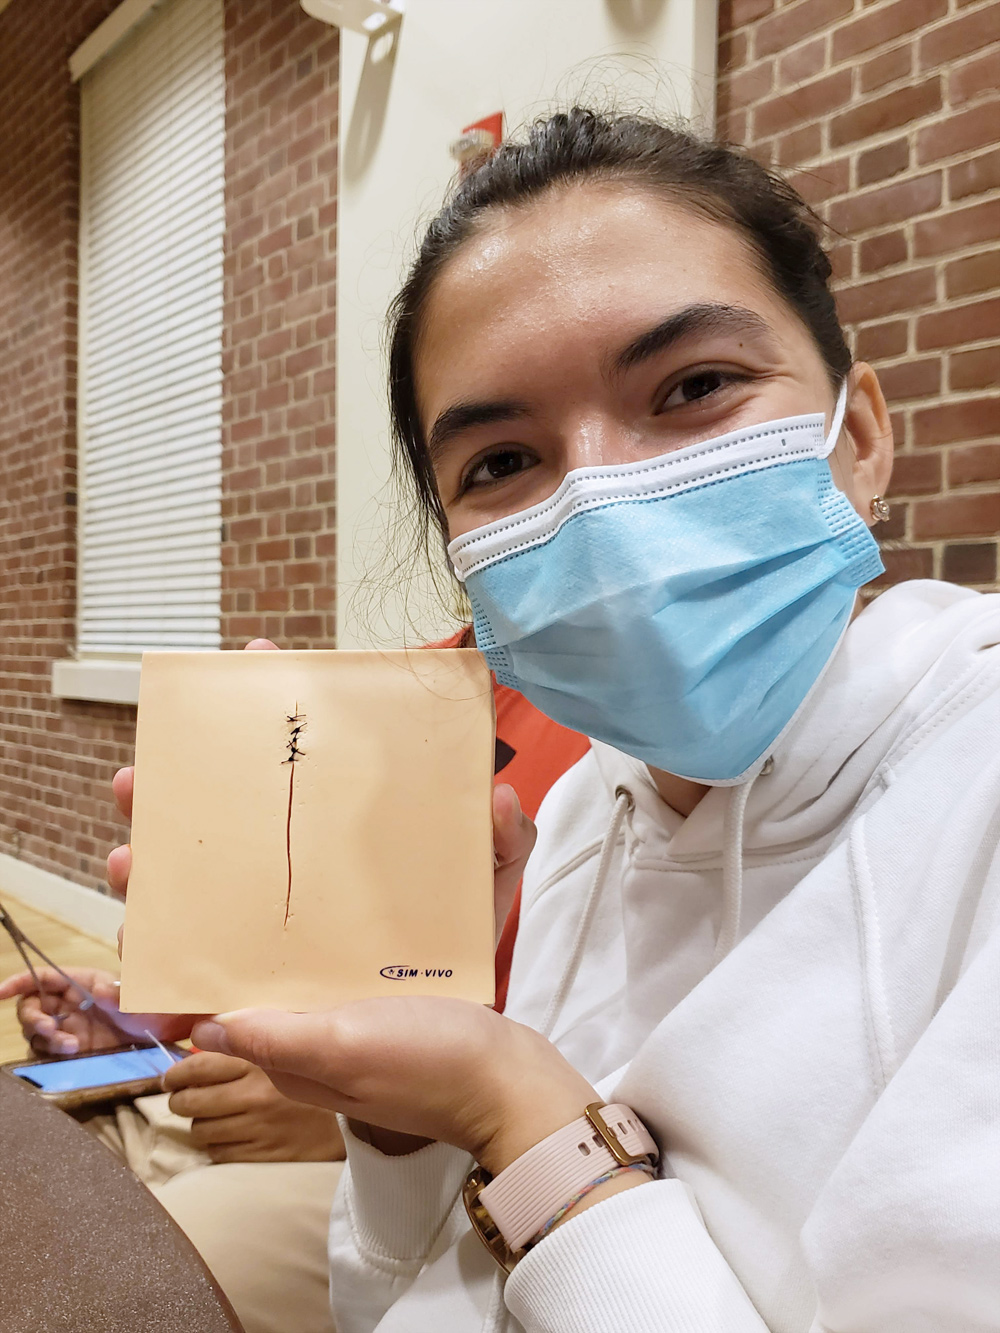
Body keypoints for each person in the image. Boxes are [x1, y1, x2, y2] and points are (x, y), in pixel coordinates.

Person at [132, 106, 999, 1331]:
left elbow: (529, 1156)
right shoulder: (592, 804)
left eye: (693, 388)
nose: (601, 503)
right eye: (499, 464)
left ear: (855, 437)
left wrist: (510, 1101)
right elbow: (437, 1292)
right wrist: (391, 1109)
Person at [0, 669, 585, 1333]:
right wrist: (145, 1015)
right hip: (225, 1092)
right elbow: (308, 932)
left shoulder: (631, 738)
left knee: (104, 1275)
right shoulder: (399, 675)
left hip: (415, 1160)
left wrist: (344, 1114)